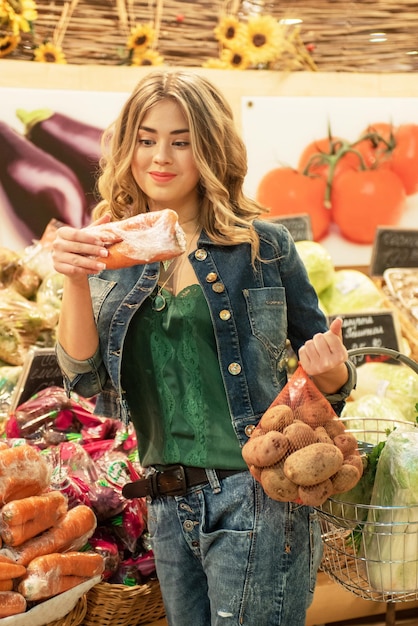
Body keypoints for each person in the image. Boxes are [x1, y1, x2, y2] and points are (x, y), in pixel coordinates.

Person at [52, 69, 356, 626]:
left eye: (181, 140)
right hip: (166, 505)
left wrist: (330, 371)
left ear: (210, 148)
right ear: (128, 147)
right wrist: (76, 277)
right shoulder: (111, 251)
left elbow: (334, 378)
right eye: (146, 139)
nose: (159, 156)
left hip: (258, 497)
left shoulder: (263, 246)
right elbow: (84, 379)